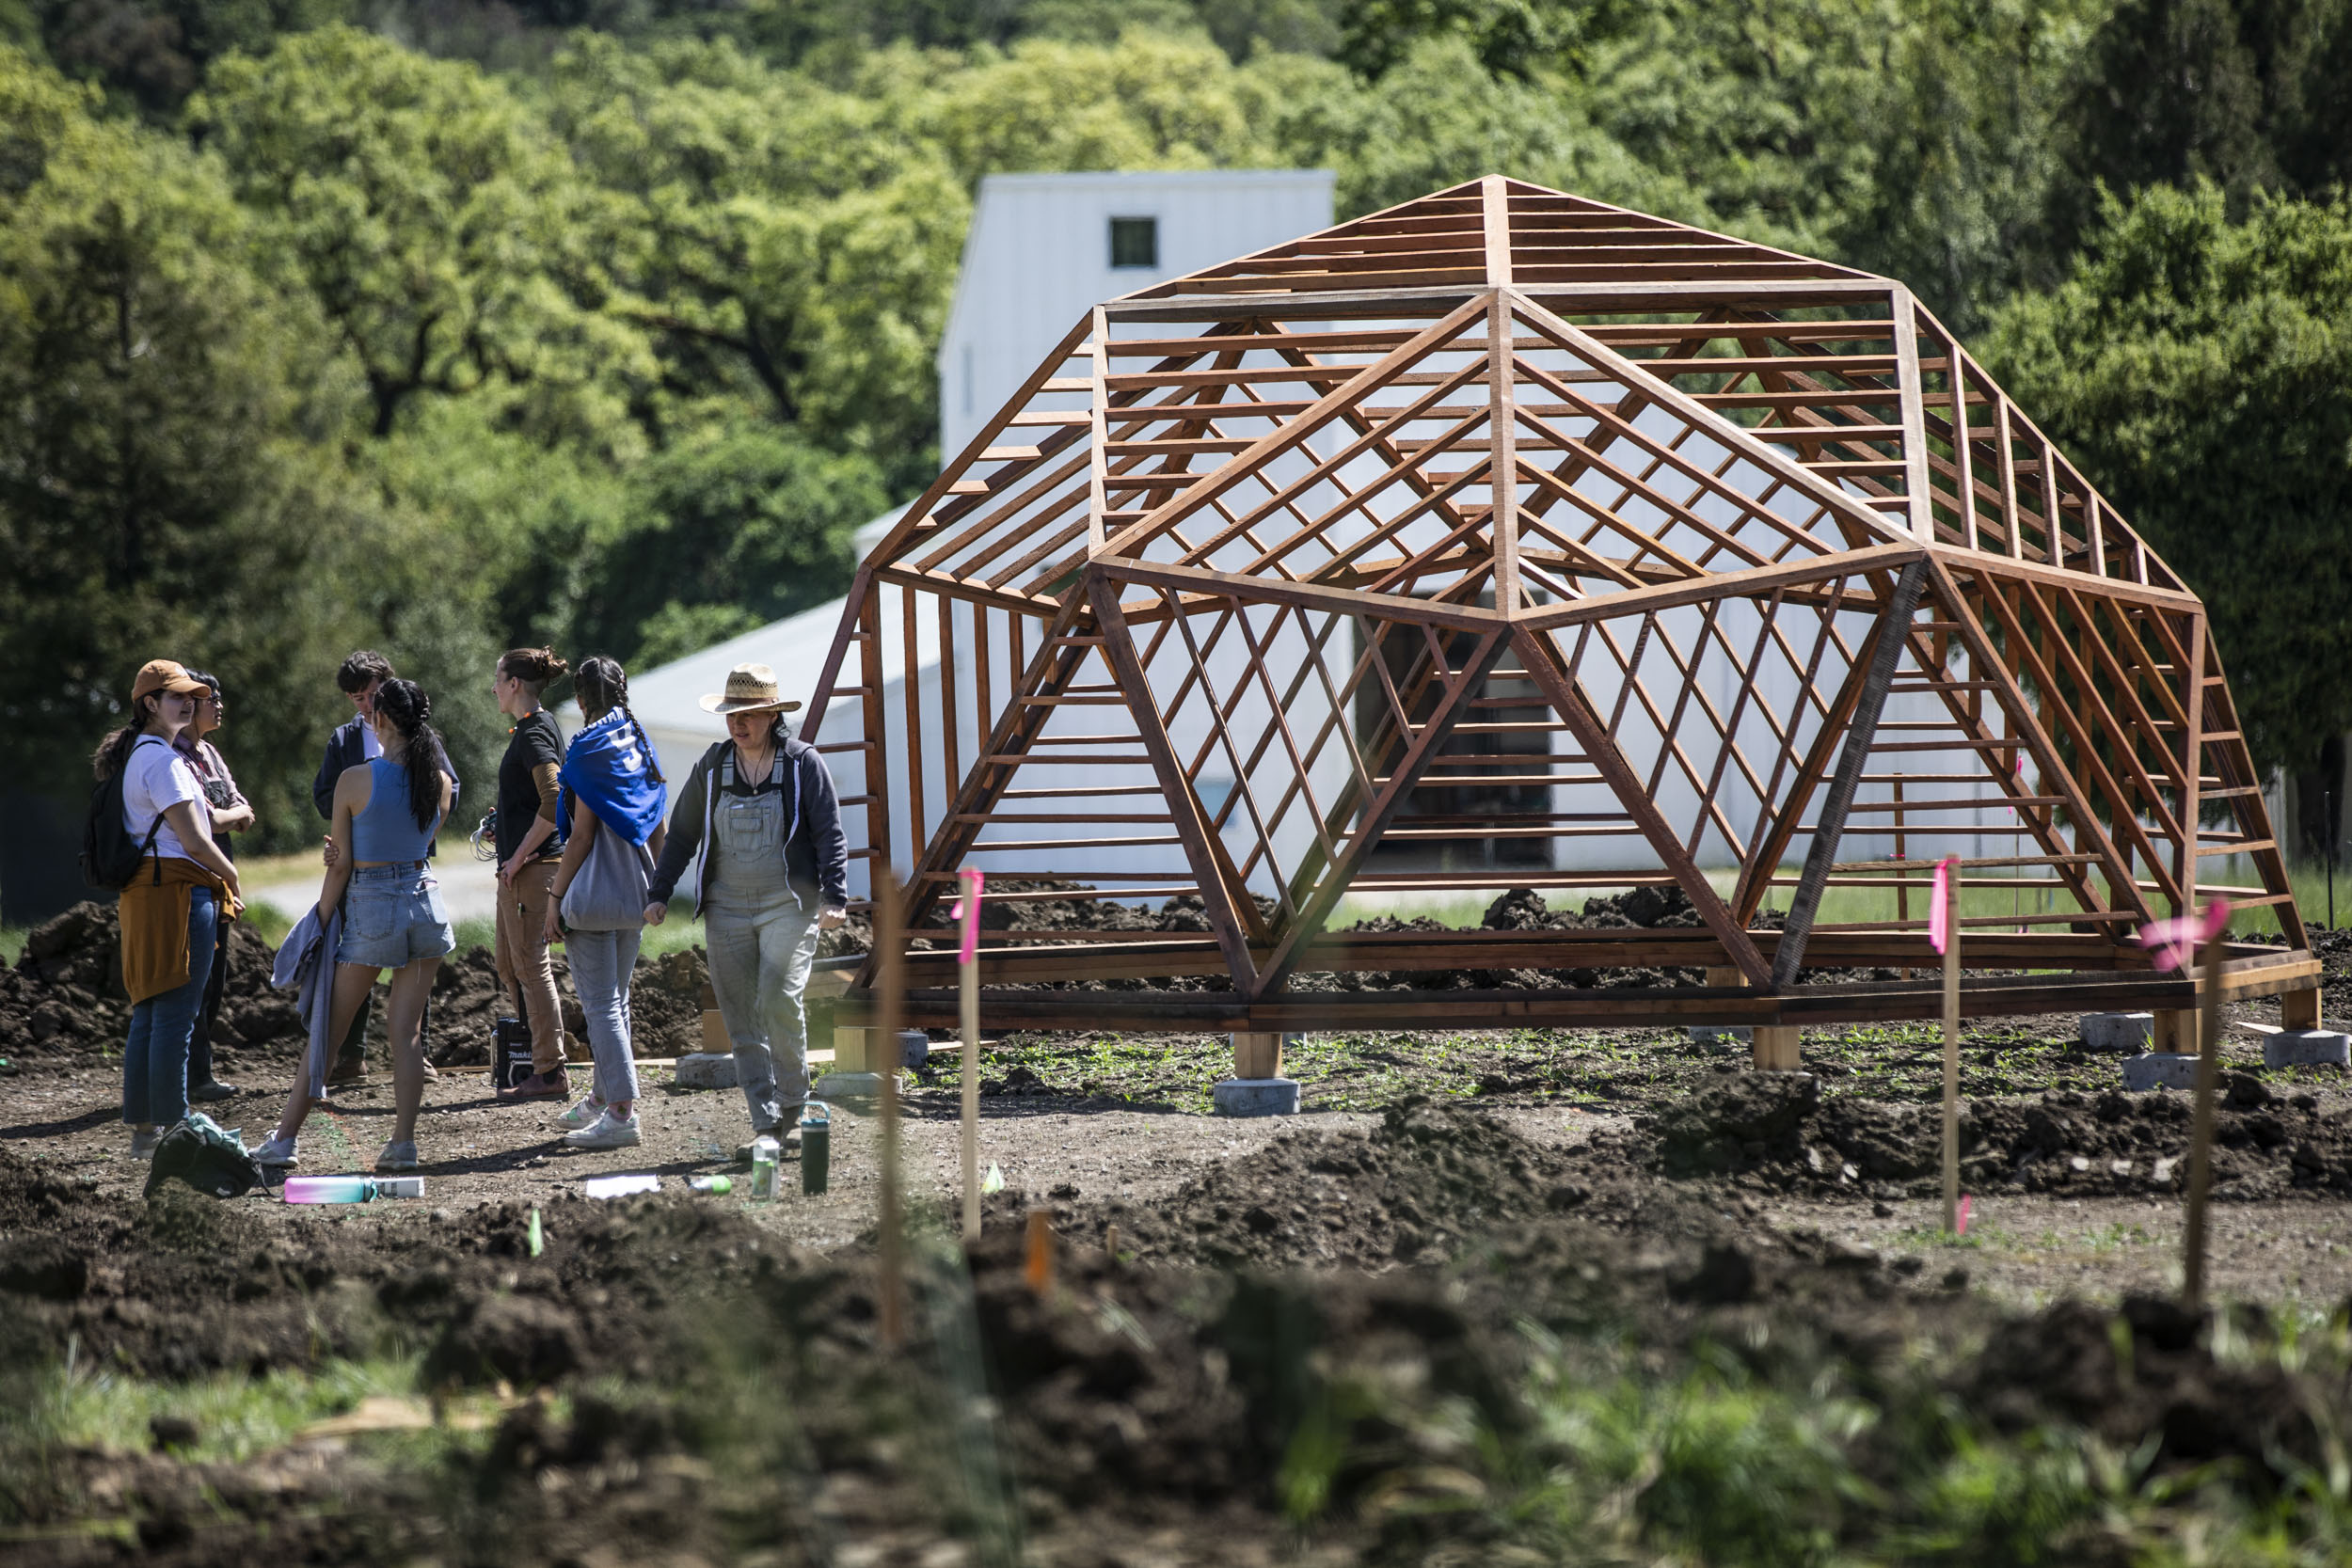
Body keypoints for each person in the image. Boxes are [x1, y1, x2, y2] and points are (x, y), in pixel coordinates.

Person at [644, 662, 846, 1154]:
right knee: (740, 1018)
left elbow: (829, 834)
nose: (740, 723)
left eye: (751, 714)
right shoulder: (712, 767)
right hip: (727, 910)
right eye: (733, 713)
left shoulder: (802, 764)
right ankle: (765, 1124)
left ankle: (795, 1108)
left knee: (778, 998)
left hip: (788, 906)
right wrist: (659, 891)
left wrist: (835, 895)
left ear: (773, 714)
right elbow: (682, 834)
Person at [256, 679, 455, 1174]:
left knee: (328, 1029)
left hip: (373, 906)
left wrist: (321, 917)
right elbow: (414, 838)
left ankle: (283, 1142)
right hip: (425, 901)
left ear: (380, 719)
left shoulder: (354, 780)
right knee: (407, 1031)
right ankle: (403, 1145)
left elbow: (341, 866)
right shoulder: (442, 783)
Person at [101, 659, 243, 1159]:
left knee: (151, 1010)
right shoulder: (162, 760)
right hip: (179, 893)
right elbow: (197, 840)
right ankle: (173, 1126)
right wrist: (232, 875)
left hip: (147, 892)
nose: (188, 702)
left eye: (191, 695)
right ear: (150, 704)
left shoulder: (138, 753)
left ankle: (145, 1130)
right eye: (177, 696)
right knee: (178, 1013)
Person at [543, 657, 668, 1149]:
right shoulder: (637, 743)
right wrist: (660, 888)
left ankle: (621, 1115)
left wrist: (555, 898)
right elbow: (657, 824)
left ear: (580, 701)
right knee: (618, 1004)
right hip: (635, 892)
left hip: (593, 899)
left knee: (601, 1008)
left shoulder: (588, 752)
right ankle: (600, 1101)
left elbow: (580, 839)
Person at [312, 651, 442, 1085]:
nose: (365, 706)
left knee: (398, 973)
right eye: (356, 698)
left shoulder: (420, 736)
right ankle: (353, 1057)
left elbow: (447, 785)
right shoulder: (344, 741)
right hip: (364, 869)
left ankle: (408, 1057)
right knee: (357, 970)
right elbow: (325, 794)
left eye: (370, 696)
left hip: (404, 866)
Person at [489, 647, 572, 1102]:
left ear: (515, 684)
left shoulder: (533, 734)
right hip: (523, 868)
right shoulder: (535, 728)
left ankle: (550, 1069)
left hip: (533, 870)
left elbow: (553, 797)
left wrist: (519, 855)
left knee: (530, 967)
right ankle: (537, 1056)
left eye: (498, 679)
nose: (494, 688)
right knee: (510, 965)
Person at [176, 670, 255, 1103]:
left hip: (218, 872)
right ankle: (192, 1076)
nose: (219, 706)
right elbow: (208, 819)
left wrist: (231, 814)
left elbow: (239, 806)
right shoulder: (177, 756)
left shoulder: (209, 752)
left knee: (215, 978)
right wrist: (231, 815)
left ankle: (199, 1072)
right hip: (192, 876)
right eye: (213, 699)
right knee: (196, 978)